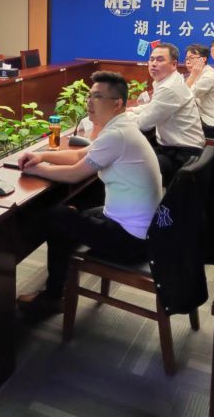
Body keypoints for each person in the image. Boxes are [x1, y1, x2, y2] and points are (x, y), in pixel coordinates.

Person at [16, 71, 163, 316]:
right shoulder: (120, 126)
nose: (89, 102)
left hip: (132, 241)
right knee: (71, 215)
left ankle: (53, 296)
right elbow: (78, 154)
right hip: (140, 228)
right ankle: (58, 287)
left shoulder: (117, 134)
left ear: (117, 103)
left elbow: (75, 173)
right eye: (89, 96)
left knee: (56, 217)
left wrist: (35, 169)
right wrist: (40, 156)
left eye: (97, 96)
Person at [126, 43, 204, 185]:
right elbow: (155, 107)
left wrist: (122, 116)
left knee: (126, 164)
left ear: (174, 64)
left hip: (183, 156)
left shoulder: (169, 88)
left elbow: (142, 124)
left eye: (160, 60)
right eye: (151, 59)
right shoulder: (170, 80)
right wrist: (134, 111)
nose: (153, 63)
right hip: (179, 147)